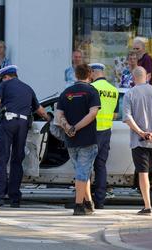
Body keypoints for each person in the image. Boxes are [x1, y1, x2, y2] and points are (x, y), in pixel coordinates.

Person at [0, 65, 50, 209]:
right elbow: (40, 110)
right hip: (23, 125)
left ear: (6, 77)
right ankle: (15, 198)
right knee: (17, 160)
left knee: (1, 160)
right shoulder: (28, 88)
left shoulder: (3, 86)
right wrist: (50, 119)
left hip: (7, 123)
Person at [123, 66, 152, 216]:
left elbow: (127, 117)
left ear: (133, 78)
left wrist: (141, 132)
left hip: (139, 140)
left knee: (143, 172)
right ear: (147, 77)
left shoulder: (129, 94)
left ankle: (147, 206)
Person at [57, 64, 100, 215]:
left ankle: (88, 203)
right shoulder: (91, 91)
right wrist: (76, 127)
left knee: (82, 172)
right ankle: (79, 205)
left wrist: (68, 127)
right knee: (82, 173)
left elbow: (59, 115)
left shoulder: (66, 92)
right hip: (87, 139)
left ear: (76, 75)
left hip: (71, 140)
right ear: (90, 75)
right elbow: (93, 114)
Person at [90, 63, 119, 209]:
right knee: (101, 166)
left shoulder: (92, 88)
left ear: (93, 72)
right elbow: (115, 114)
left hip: (92, 130)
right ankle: (99, 201)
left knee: (87, 165)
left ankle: (85, 199)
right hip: (106, 131)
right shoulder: (113, 90)